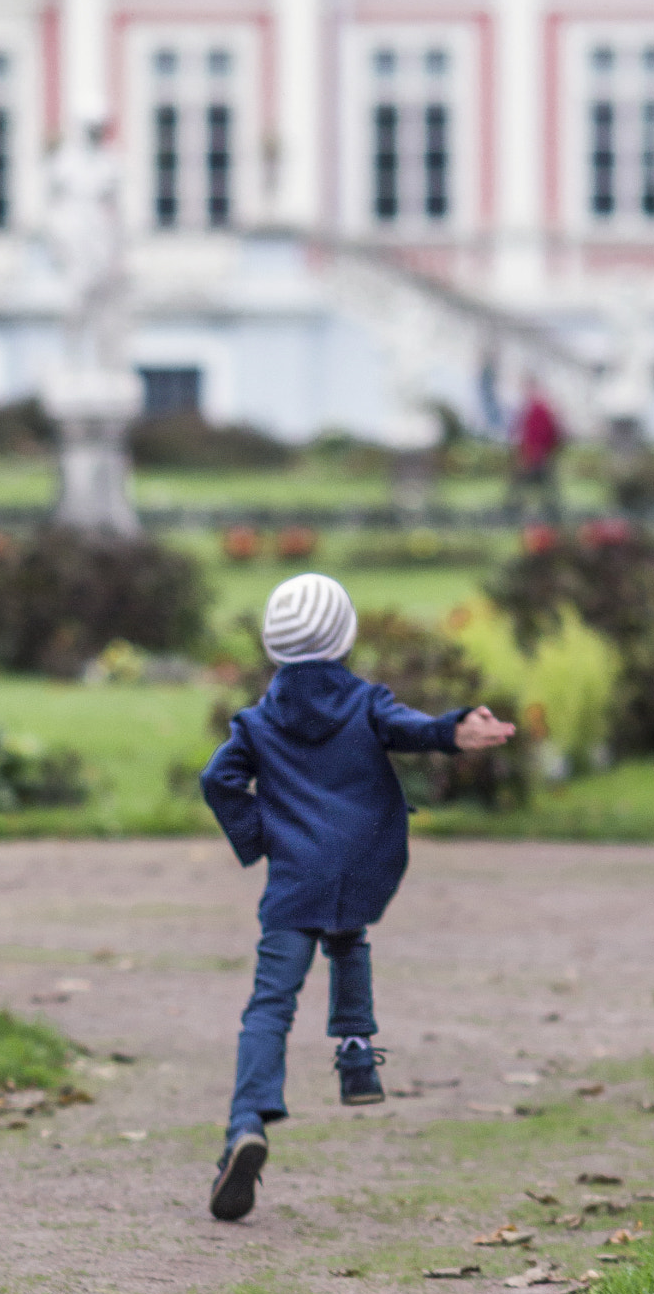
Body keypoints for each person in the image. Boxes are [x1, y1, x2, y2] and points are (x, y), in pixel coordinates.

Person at [199, 572, 515, 1221]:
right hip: (356, 862)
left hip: (293, 881)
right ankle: (355, 1059)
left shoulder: (258, 722)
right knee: (348, 939)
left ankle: (245, 1124)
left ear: (274, 646)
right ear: (345, 637)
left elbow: (218, 779)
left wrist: (260, 835)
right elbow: (412, 730)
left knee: (269, 1006)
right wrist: (457, 730)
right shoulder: (365, 702)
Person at [509, 378, 563, 512]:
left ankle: (513, 509)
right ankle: (551, 510)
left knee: (528, 483)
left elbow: (544, 433)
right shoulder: (535, 408)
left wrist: (538, 451)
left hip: (537, 454)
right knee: (540, 485)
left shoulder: (538, 408)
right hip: (536, 453)